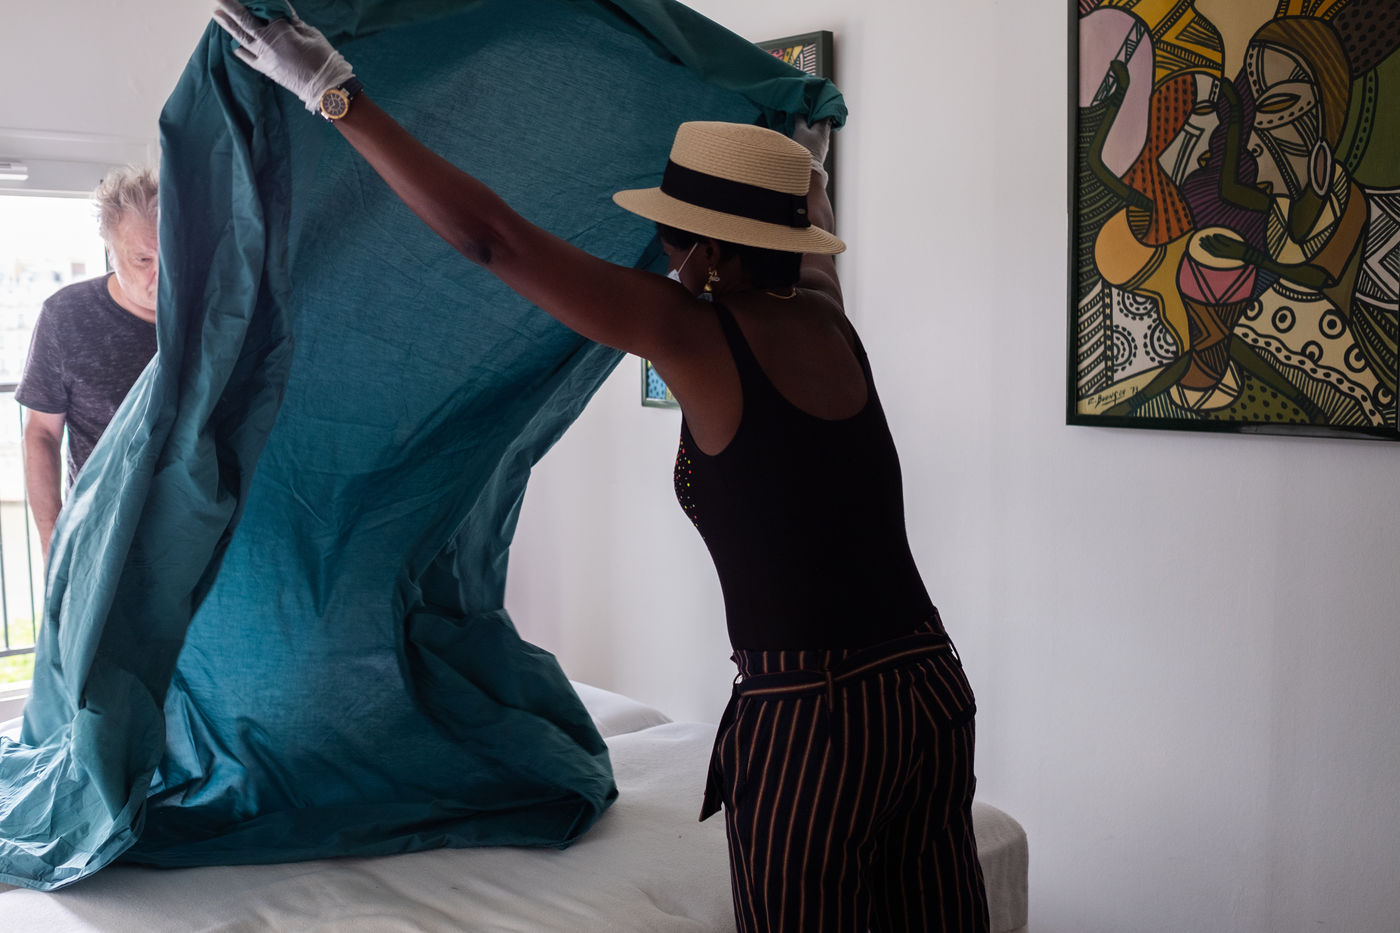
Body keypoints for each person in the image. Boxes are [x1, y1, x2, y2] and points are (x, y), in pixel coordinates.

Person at [212, 3, 988, 929]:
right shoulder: (825, 308)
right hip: (929, 687)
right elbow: (808, 205)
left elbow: (494, 238)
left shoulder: (691, 332)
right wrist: (800, 142)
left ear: (706, 250)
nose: (664, 254)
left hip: (815, 719)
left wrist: (334, 94)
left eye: (672, 236)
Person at [16, 165, 160, 563]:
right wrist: (52, 542)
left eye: (174, 254)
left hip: (196, 531)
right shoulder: (65, 316)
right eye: (143, 259)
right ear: (111, 253)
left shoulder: (211, 315)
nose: (162, 274)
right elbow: (41, 434)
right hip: (99, 533)